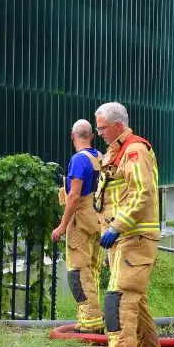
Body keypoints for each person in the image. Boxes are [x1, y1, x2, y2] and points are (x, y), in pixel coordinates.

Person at [93, 102, 162, 347]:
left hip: (133, 235)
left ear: (117, 126)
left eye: (102, 128)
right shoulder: (116, 152)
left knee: (120, 296)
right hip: (123, 237)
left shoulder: (134, 151)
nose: (99, 132)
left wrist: (116, 227)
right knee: (135, 297)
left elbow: (140, 193)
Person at [51, 119, 105, 334]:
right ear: (91, 136)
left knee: (78, 272)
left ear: (72, 136)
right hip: (97, 219)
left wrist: (62, 226)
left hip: (80, 221)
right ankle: (91, 318)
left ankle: (90, 322)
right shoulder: (100, 157)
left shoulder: (78, 160)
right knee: (93, 270)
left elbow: (73, 196)